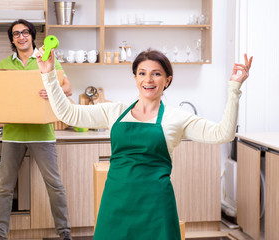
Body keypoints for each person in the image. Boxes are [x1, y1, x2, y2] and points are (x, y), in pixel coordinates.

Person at [36, 47, 253, 239]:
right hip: (115, 202)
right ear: (135, 77)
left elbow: (223, 134)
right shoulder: (115, 111)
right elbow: (67, 113)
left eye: (156, 74)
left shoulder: (176, 118)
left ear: (167, 80)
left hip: (156, 205)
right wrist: (48, 75)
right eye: (142, 73)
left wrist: (234, 89)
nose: (148, 80)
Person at [0, 19, 73, 240]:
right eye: (16, 34)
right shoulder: (4, 64)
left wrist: (52, 89)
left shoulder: (46, 58)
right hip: (13, 135)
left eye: (24, 32)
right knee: (4, 188)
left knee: (55, 186)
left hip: (42, 134)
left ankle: (65, 233)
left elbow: (68, 87)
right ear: (12, 39)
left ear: (32, 35)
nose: (21, 37)